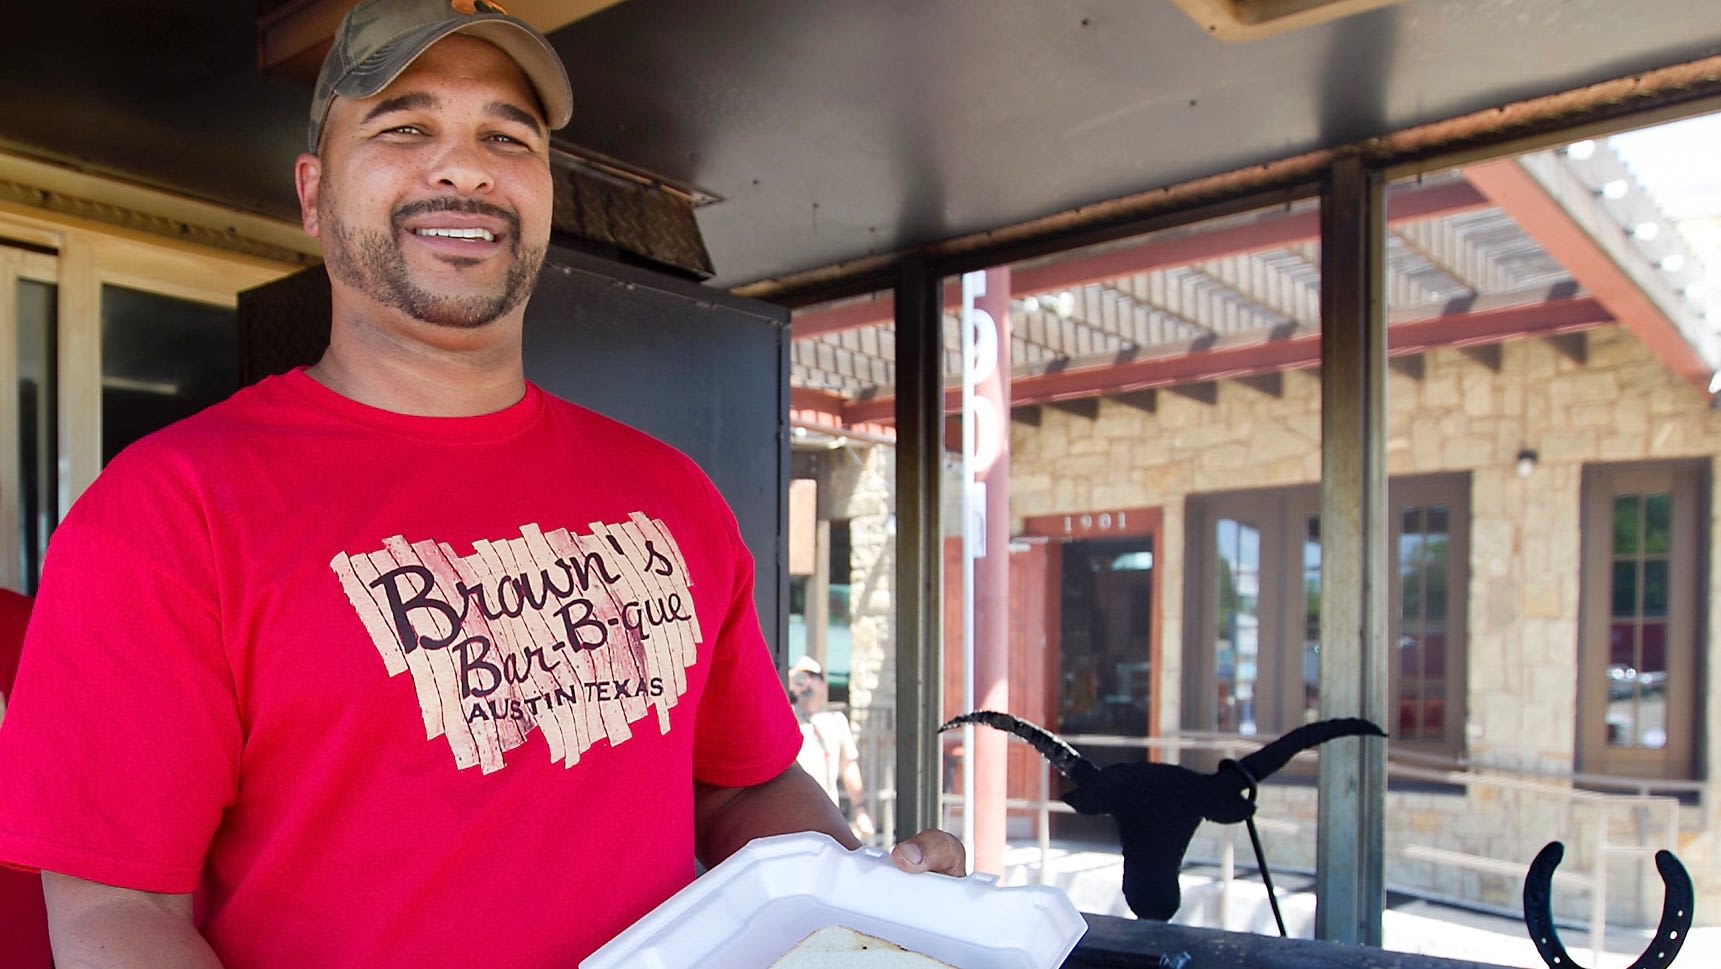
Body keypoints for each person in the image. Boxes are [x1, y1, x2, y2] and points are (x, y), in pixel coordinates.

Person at [0, 2, 963, 966]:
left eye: (507, 136)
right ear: (312, 192)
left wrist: (863, 906)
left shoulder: (669, 496)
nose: (464, 168)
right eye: (405, 127)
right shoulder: (169, 510)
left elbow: (741, 786)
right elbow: (115, 907)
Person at [790, 656, 877, 842]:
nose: (805, 682)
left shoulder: (835, 721)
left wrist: (860, 809)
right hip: (794, 817)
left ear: (822, 684)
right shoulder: (787, 717)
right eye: (800, 677)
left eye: (811, 676)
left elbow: (848, 766)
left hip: (827, 816)